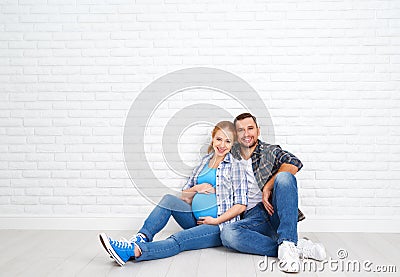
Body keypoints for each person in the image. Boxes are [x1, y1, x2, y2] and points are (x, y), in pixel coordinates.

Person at [98, 121, 248, 266]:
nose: (222, 145)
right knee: (168, 200)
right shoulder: (204, 161)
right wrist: (198, 188)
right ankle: (141, 238)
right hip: (194, 220)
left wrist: (215, 221)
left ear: (233, 144)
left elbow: (241, 205)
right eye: (219, 139)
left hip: (216, 227)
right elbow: (185, 195)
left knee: (178, 239)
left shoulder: (236, 166)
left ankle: (134, 251)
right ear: (212, 138)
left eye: (227, 141)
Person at [220, 113, 326, 273]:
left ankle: (288, 243)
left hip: (273, 209)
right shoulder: (230, 154)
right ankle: (292, 245)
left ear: (258, 130)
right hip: (252, 217)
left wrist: (268, 187)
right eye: (241, 130)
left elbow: (294, 163)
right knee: (228, 234)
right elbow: (211, 158)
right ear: (236, 134)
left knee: (284, 177)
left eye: (250, 128)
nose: (246, 134)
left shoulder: (269, 151)